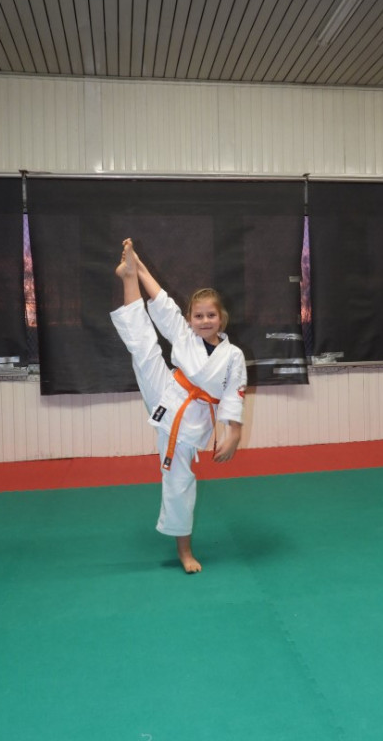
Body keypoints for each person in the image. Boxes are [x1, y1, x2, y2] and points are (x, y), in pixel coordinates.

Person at [110, 238, 247, 573]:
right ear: (190, 319)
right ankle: (128, 277)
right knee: (143, 348)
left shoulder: (233, 356)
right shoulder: (185, 335)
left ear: (222, 318)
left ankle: (184, 550)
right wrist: (138, 268)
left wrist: (234, 433)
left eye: (211, 315)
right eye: (198, 315)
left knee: (179, 482)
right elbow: (162, 304)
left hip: (192, 419)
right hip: (168, 390)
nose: (204, 320)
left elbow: (234, 394)